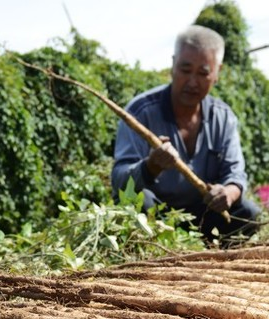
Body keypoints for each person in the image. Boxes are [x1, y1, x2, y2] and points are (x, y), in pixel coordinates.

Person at [111, 25, 260, 241]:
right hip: (156, 218)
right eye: (185, 69)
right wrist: (150, 166)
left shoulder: (223, 117)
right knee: (138, 201)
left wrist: (227, 193)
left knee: (248, 214)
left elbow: (235, 174)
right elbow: (118, 180)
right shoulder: (140, 112)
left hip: (205, 215)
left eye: (203, 73)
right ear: (172, 65)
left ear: (218, 73)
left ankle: (219, 262)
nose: (192, 82)